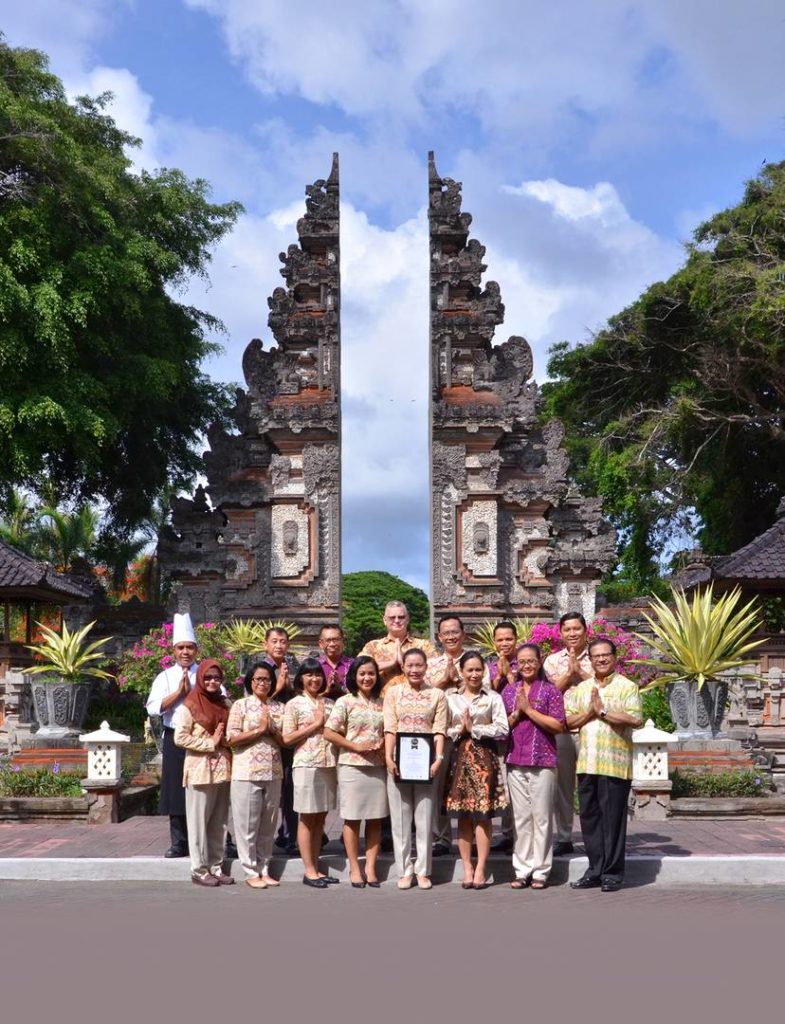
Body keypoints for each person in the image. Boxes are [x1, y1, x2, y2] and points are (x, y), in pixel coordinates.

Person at [565, 638, 643, 893]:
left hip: (614, 764)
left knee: (613, 821)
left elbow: (635, 718)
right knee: (589, 820)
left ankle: (612, 873)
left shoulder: (627, 686)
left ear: (614, 656)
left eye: (605, 655)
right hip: (587, 763)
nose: (600, 659)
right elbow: (569, 720)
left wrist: (603, 712)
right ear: (590, 659)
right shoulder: (582, 688)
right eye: (595, 656)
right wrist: (590, 711)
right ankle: (594, 870)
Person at [501, 643, 565, 890]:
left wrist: (529, 710)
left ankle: (541, 871)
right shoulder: (509, 691)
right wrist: (518, 713)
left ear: (540, 662)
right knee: (521, 818)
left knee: (542, 818)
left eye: (531, 661)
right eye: (521, 662)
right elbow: (501, 726)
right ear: (515, 664)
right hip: (515, 759)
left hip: (543, 761)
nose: (526, 665)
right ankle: (522, 869)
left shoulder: (550, 691)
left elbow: (559, 725)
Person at [383, 648, 447, 890]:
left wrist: (438, 759)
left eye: (419, 665)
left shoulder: (437, 695)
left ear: (426, 667)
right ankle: (404, 871)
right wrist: (389, 758)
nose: (414, 670)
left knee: (424, 818)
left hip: (426, 764)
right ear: (403, 667)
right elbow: (390, 728)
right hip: (399, 763)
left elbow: (439, 730)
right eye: (410, 665)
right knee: (400, 819)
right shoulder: (393, 693)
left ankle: (422, 870)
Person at [444, 651, 509, 889]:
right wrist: (461, 730)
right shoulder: (451, 698)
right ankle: (467, 866)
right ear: (461, 672)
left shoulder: (492, 697)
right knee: (462, 816)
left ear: (484, 672)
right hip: (459, 759)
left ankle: (481, 867)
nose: (474, 674)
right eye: (469, 670)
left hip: (484, 760)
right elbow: (443, 729)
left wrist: (476, 728)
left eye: (478, 670)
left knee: (483, 817)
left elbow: (503, 728)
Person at [426, 614, 490, 857]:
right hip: (442, 732)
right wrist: (444, 681)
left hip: (473, 734)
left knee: (473, 784)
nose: (451, 636)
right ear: (439, 637)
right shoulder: (431, 664)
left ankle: (474, 837)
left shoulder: (475, 661)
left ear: (463, 633)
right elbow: (425, 697)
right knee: (439, 784)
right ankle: (441, 837)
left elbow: (487, 692)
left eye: (455, 631)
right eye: (446, 633)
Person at [324, 656, 387, 888]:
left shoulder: (383, 702)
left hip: (378, 767)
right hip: (352, 765)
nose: (367, 677)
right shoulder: (345, 701)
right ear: (354, 676)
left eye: (371, 673)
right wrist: (355, 746)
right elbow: (329, 732)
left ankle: (370, 867)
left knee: (375, 818)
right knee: (352, 818)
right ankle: (354, 867)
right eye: (362, 673)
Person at [173, 659, 234, 887]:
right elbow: (180, 737)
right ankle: (199, 869)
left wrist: (225, 741)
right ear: (200, 679)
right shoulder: (189, 705)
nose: (212, 681)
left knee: (219, 822)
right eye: (208, 677)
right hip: (199, 769)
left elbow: (231, 732)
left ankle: (216, 866)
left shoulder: (224, 703)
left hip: (222, 769)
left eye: (217, 678)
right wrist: (210, 742)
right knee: (199, 822)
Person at [227, 662, 286, 889]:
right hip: (246, 773)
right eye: (258, 679)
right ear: (251, 682)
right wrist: (258, 731)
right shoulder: (240, 706)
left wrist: (272, 730)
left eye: (267, 679)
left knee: (268, 825)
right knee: (247, 825)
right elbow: (231, 738)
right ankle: (250, 870)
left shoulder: (279, 707)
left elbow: (285, 740)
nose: (263, 683)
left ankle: (264, 868)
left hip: (273, 772)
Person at [145, 612, 199, 858]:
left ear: (196, 650)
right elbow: (153, 708)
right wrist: (178, 694)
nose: (185, 652)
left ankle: (211, 838)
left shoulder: (207, 673)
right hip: (174, 736)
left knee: (203, 789)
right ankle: (179, 842)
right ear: (174, 651)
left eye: (189, 647)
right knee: (176, 792)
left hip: (200, 739)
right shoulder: (164, 677)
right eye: (181, 648)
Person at [282, 658, 338, 889]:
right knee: (306, 817)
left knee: (320, 818)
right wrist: (315, 726)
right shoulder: (294, 704)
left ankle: (316, 866)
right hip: (306, 764)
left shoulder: (331, 704)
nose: (314, 679)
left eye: (317, 675)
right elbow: (287, 738)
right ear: (301, 678)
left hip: (328, 764)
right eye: (308, 675)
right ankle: (309, 871)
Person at [543, 612, 594, 856]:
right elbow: (547, 695)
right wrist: (568, 674)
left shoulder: (598, 656)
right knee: (562, 786)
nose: (572, 634)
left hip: (590, 728)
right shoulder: (552, 661)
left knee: (589, 784)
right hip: (561, 730)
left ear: (586, 630)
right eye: (567, 630)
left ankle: (592, 835)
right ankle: (564, 836)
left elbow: (605, 690)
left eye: (577, 629)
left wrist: (582, 674)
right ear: (560, 633)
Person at [262, 626, 300, 855]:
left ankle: (289, 834)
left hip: (290, 735)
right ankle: (265, 837)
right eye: (274, 641)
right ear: (266, 644)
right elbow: (254, 700)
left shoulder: (291, 666)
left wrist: (290, 685)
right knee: (268, 788)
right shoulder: (260, 668)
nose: (279, 645)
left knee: (290, 786)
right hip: (267, 735)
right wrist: (277, 687)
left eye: (283, 642)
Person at [487, 620, 521, 853]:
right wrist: (499, 676)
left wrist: (510, 676)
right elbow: (484, 694)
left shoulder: (525, 663)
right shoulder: (488, 667)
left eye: (509, 638)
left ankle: (516, 835)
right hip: (495, 735)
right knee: (498, 785)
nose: (504, 643)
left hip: (520, 733)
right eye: (500, 639)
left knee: (516, 784)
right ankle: (503, 834)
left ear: (516, 640)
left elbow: (525, 692)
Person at [360, 600, 437, 693]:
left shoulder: (424, 645)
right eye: (392, 617)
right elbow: (358, 669)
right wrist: (391, 663)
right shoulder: (373, 646)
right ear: (385, 620)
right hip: (381, 703)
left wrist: (404, 663)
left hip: (417, 702)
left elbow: (437, 670)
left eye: (401, 617)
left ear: (407, 619)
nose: (397, 621)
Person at [318, 624, 354, 698]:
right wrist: (326, 691)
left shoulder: (353, 665)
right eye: (328, 640)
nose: (332, 644)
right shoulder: (315, 666)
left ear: (342, 641)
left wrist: (341, 688)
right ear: (321, 644)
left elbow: (360, 694)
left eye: (336, 640)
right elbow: (307, 696)